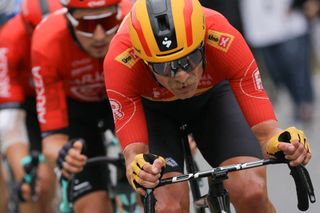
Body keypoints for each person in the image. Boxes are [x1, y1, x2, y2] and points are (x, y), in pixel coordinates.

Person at [103, 0, 312, 212]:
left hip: (213, 100)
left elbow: (267, 134)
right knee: (167, 207)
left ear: (203, 42)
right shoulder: (120, 59)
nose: (182, 76)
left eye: (190, 58)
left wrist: (285, 144)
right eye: (164, 66)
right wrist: (139, 170)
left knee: (251, 192)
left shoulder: (221, 34)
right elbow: (134, 157)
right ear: (144, 60)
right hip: (155, 114)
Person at [30, 0, 132, 212]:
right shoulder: (46, 42)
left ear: (119, 13)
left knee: (156, 194)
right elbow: (52, 139)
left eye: (108, 21)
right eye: (85, 25)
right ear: (68, 19)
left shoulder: (135, 22)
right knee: (93, 207)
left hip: (126, 102)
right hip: (77, 114)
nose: (99, 36)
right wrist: (65, 156)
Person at [0, 0, 62, 212]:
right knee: (33, 183)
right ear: (26, 26)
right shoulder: (10, 39)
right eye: (36, 32)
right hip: (22, 106)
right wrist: (24, 173)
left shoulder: (71, 32)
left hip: (56, 99)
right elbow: (11, 123)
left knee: (49, 182)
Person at [239, 0, 315, 124]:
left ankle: (305, 104)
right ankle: (297, 104)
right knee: (278, 72)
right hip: (262, 28)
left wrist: (298, 4)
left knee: (295, 68)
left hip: (288, 24)